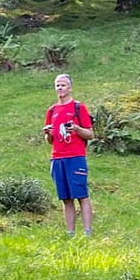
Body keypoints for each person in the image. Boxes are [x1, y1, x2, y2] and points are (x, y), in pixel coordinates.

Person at [43, 74, 94, 237]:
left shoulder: (79, 107)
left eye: (63, 85)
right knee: (65, 198)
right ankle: (70, 233)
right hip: (57, 158)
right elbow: (49, 140)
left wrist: (77, 129)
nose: (60, 88)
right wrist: (48, 133)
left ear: (70, 88)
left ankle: (87, 233)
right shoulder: (51, 111)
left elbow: (90, 134)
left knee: (81, 195)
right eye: (57, 85)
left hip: (76, 156)